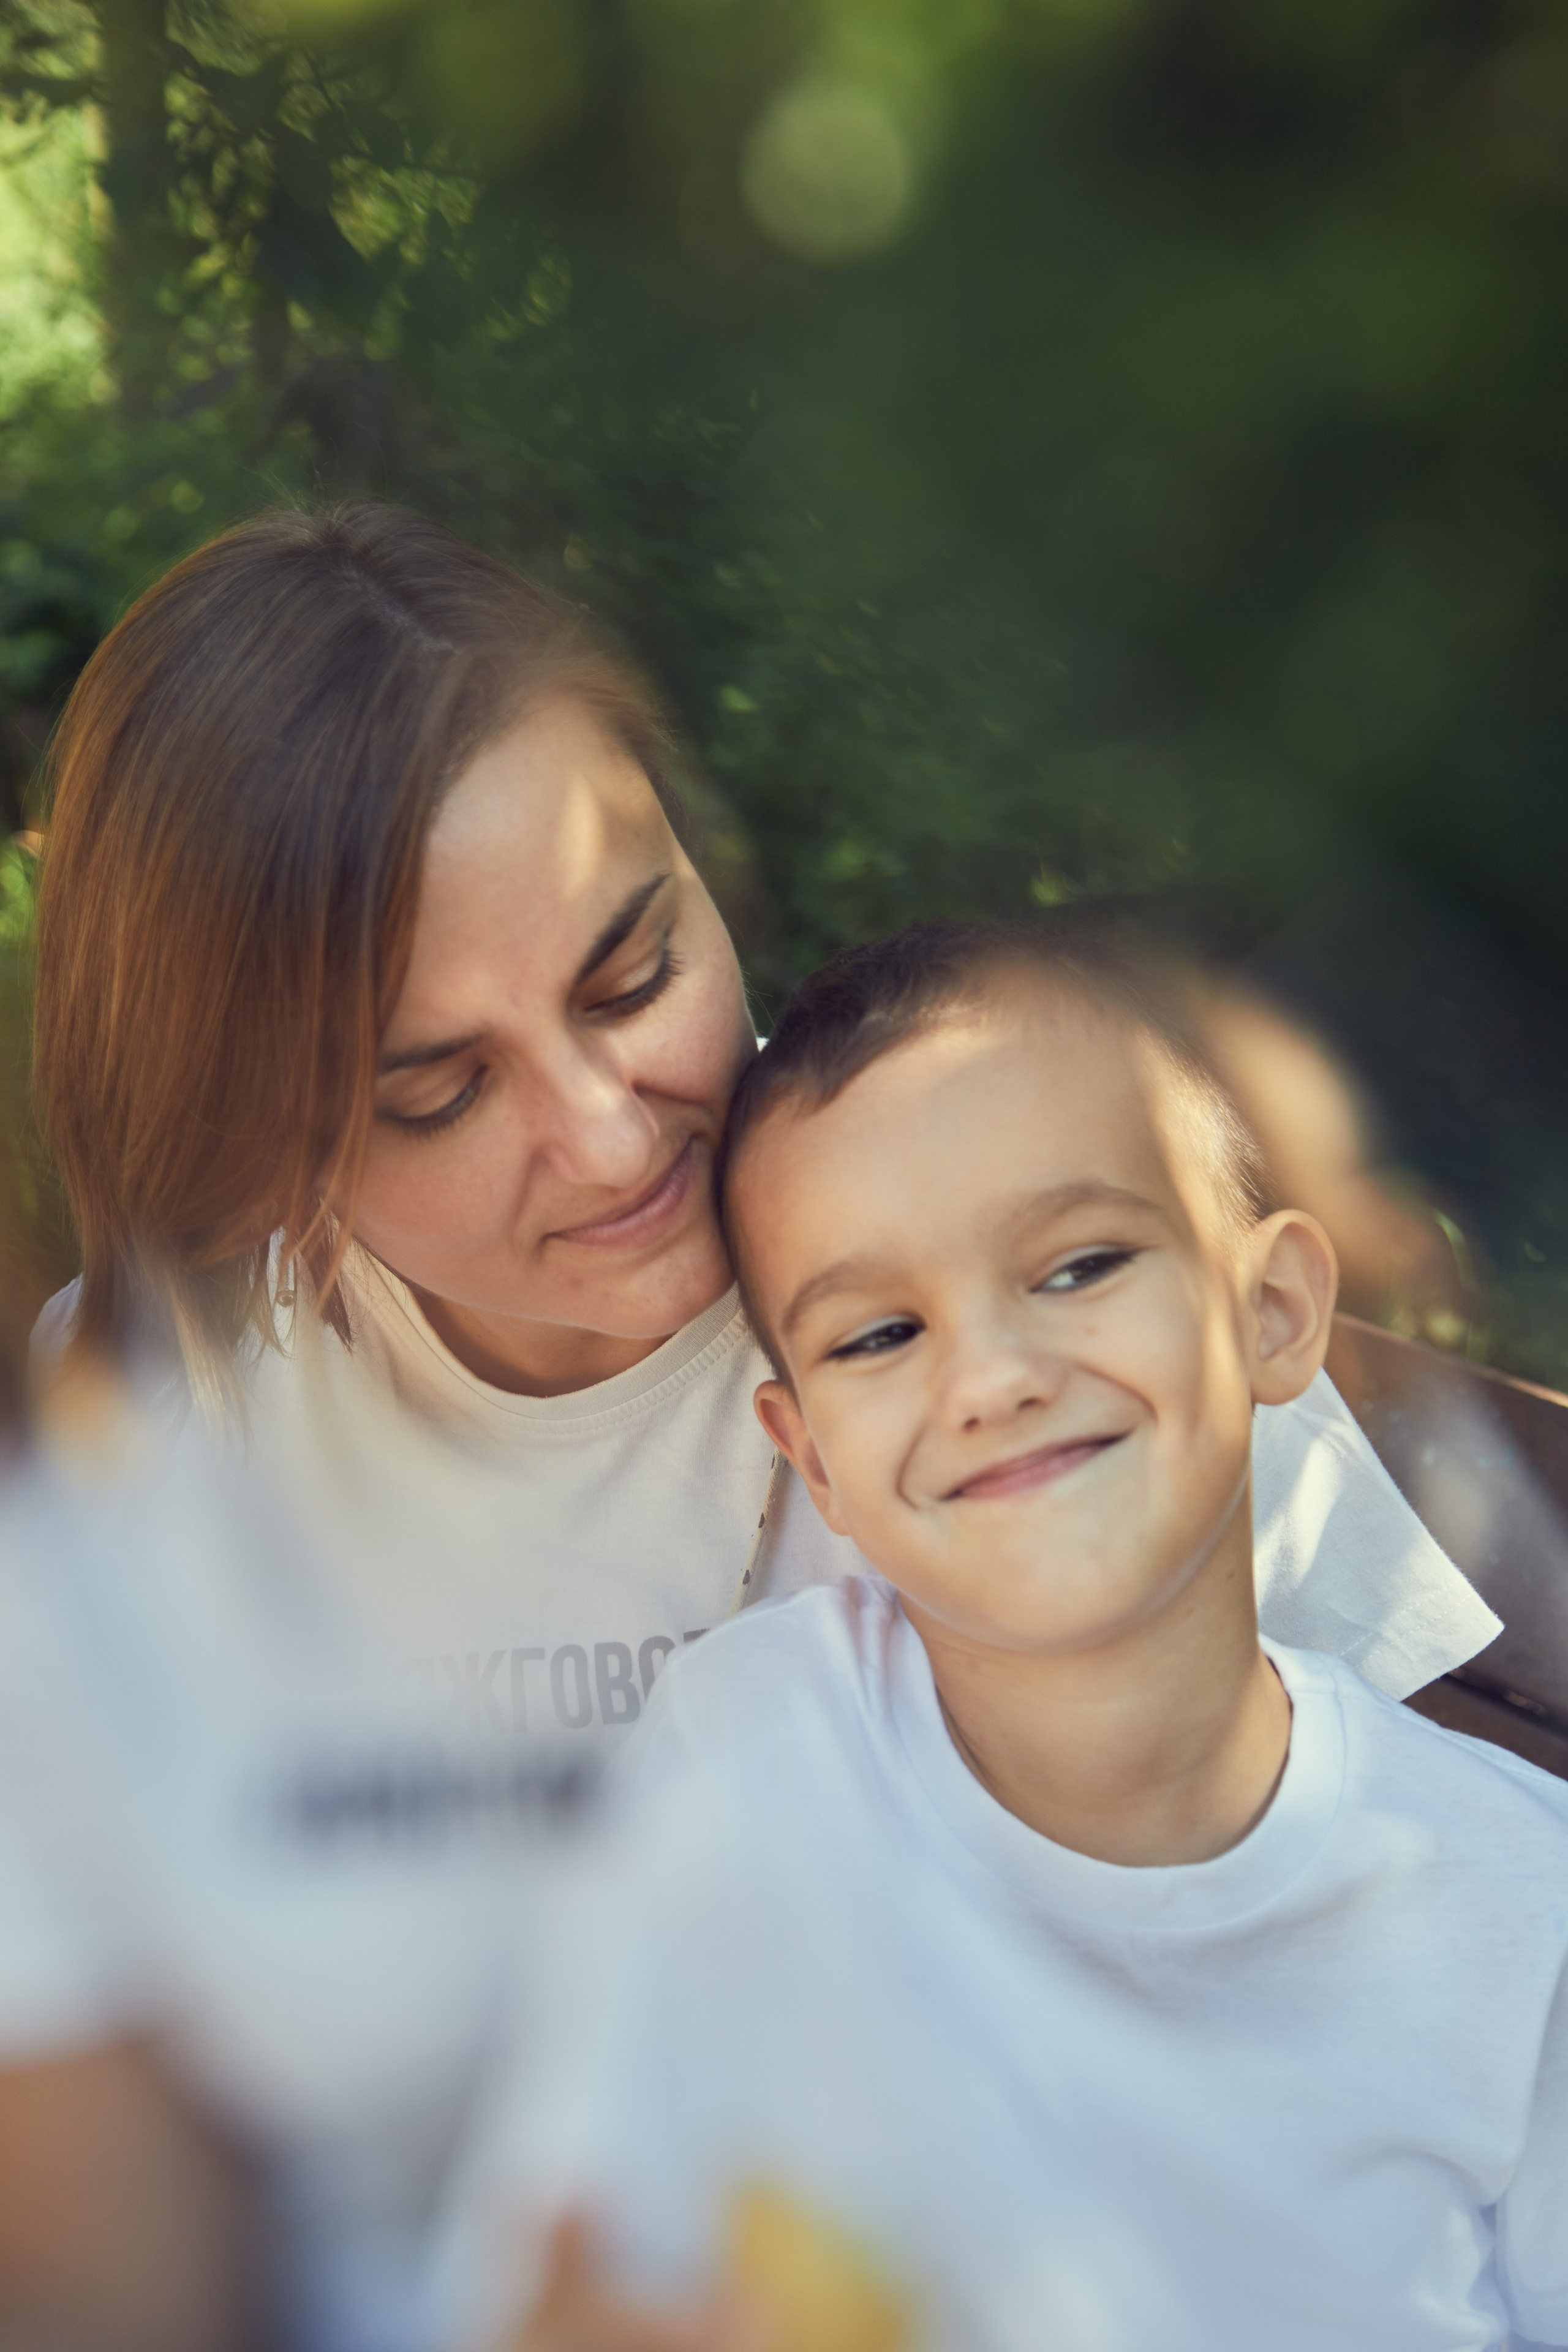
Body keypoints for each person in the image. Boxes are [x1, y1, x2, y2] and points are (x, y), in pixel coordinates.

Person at [0, 508, 1499, 2352]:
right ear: (260, 1143)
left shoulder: (1057, 1302)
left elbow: (1400, 1972)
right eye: (439, 1092)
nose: (619, 1138)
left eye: (631, 976)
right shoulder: (160, 1440)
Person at [448, 921, 1568, 2352]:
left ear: (1271, 1309)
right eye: (876, 1337)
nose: (988, 1377)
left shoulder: (1520, 1909)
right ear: (814, 1465)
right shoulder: (750, 1750)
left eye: (1078, 1264)